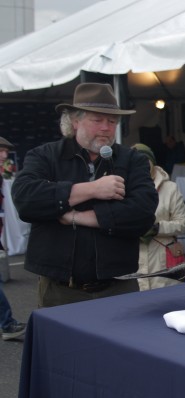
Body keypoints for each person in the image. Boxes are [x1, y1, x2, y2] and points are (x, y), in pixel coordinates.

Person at [11, 83, 158, 307]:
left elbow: (143, 213)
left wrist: (77, 217)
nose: (106, 128)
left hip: (118, 286)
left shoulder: (131, 160)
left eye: (111, 121)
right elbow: (25, 199)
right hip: (60, 290)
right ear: (75, 121)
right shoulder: (46, 156)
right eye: (97, 120)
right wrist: (92, 189)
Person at [132, 143, 185, 290]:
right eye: (136, 161)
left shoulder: (170, 188)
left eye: (145, 160)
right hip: (134, 257)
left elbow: (182, 224)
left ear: (153, 161)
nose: (142, 165)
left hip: (163, 257)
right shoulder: (123, 188)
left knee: (165, 301)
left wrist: (157, 228)